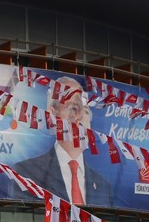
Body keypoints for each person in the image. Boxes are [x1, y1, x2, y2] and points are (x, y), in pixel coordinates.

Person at [10, 76, 113, 208]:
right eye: (73, 108)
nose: (80, 117)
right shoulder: (26, 173)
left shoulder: (104, 187)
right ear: (53, 114)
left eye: (85, 110)